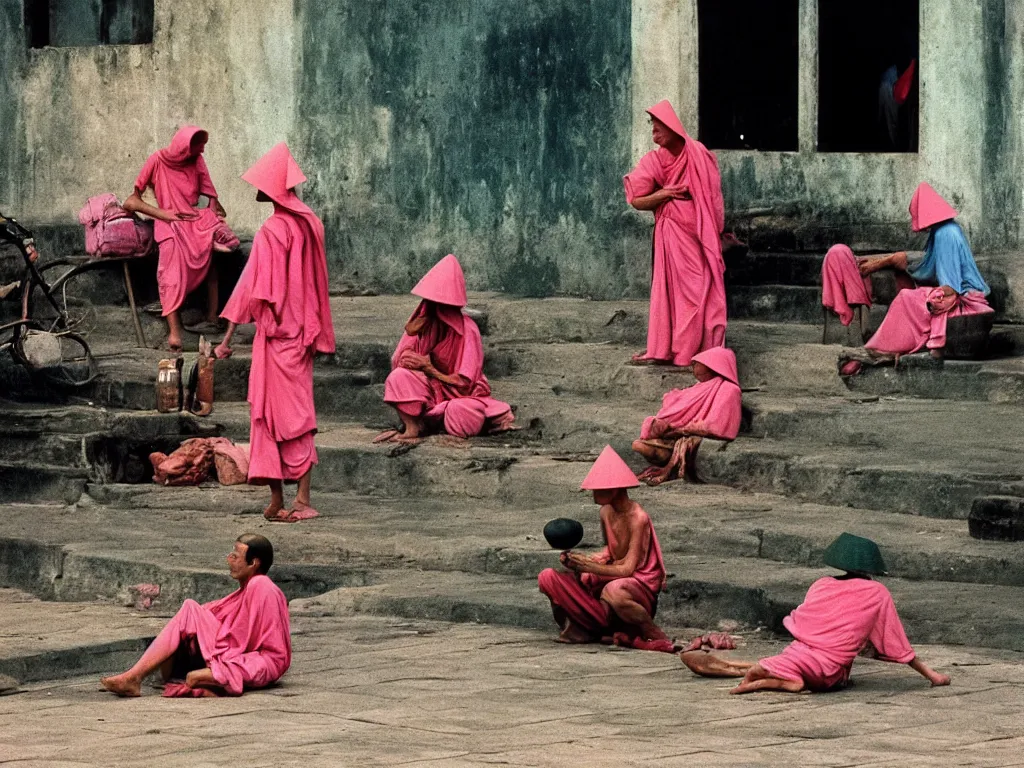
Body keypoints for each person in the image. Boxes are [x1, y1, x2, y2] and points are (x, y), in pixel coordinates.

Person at [215, 143, 335, 522]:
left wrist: (227, 337)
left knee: (267, 415)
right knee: (299, 414)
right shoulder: (310, 224)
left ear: (271, 188)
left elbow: (254, 287)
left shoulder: (271, 231)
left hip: (277, 335)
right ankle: (299, 497)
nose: (256, 190)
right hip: (303, 334)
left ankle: (279, 498)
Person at [680, 533, 951, 694]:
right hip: (829, 672)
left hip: (800, 655)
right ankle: (778, 680)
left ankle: (769, 677)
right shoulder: (877, 593)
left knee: (787, 660)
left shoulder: (822, 584)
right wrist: (932, 675)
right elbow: (897, 644)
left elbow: (804, 623)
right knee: (816, 668)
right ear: (871, 569)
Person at [100, 534, 291, 698]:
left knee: (190, 608)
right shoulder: (245, 591)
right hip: (243, 657)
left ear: (253, 563)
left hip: (261, 662)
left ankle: (134, 677)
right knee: (191, 613)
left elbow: (248, 641)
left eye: (235, 555)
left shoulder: (261, 585)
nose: (229, 559)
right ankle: (136, 676)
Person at [831, 183, 993, 368]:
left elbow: (950, 288)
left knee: (906, 298)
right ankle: (888, 346)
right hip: (966, 294)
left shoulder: (945, 234)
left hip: (966, 299)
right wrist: (887, 261)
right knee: (910, 297)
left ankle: (885, 348)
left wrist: (928, 297)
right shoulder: (945, 230)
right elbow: (928, 265)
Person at [624, 100, 726, 367]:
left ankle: (700, 349)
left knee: (701, 288)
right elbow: (636, 199)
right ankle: (676, 351)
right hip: (671, 232)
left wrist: (716, 231)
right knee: (674, 293)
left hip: (700, 231)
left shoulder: (699, 155)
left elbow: (714, 198)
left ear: (672, 127)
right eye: (652, 129)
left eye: (659, 128)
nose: (654, 133)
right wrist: (664, 194)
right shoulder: (655, 160)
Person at [538, 445, 670, 651]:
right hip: (612, 574)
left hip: (637, 584)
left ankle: (650, 630)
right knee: (548, 576)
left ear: (615, 488)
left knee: (614, 591)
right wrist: (583, 560)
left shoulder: (638, 518)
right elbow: (610, 551)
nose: (593, 493)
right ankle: (582, 627)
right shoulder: (605, 512)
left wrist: (590, 568)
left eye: (598, 489)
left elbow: (628, 569)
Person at [375, 254, 515, 442]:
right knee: (397, 377)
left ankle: (445, 428)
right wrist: (411, 361)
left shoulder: (468, 330)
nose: (428, 308)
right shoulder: (426, 326)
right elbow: (398, 360)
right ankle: (412, 427)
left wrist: (429, 369)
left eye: (435, 304)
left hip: (461, 397)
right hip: (431, 393)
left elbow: (464, 383)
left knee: (462, 411)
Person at [124, 126, 239, 352]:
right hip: (168, 222)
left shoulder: (197, 160)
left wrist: (212, 220)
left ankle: (212, 317)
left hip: (193, 218)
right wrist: (163, 214)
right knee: (170, 271)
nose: (202, 150)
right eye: (198, 146)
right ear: (183, 147)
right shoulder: (157, 160)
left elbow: (211, 196)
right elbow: (131, 201)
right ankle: (175, 334)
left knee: (225, 246)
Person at [632, 346, 742, 486]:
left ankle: (668, 457)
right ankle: (667, 454)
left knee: (644, 445)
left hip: (690, 434)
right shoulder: (698, 386)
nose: (693, 365)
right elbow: (674, 410)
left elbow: (717, 426)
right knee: (639, 442)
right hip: (676, 433)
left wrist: (682, 429)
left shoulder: (729, 389)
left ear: (713, 365)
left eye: (698, 362)